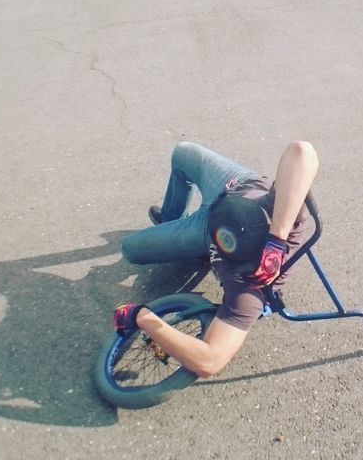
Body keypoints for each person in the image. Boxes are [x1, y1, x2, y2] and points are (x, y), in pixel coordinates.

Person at [113, 140, 319, 379]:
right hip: (234, 185)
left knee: (131, 249)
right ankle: (169, 219)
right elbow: (303, 151)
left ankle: (192, 247)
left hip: (204, 230)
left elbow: (209, 361)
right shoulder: (282, 212)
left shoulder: (250, 288)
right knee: (182, 152)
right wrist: (276, 240)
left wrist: (140, 316)